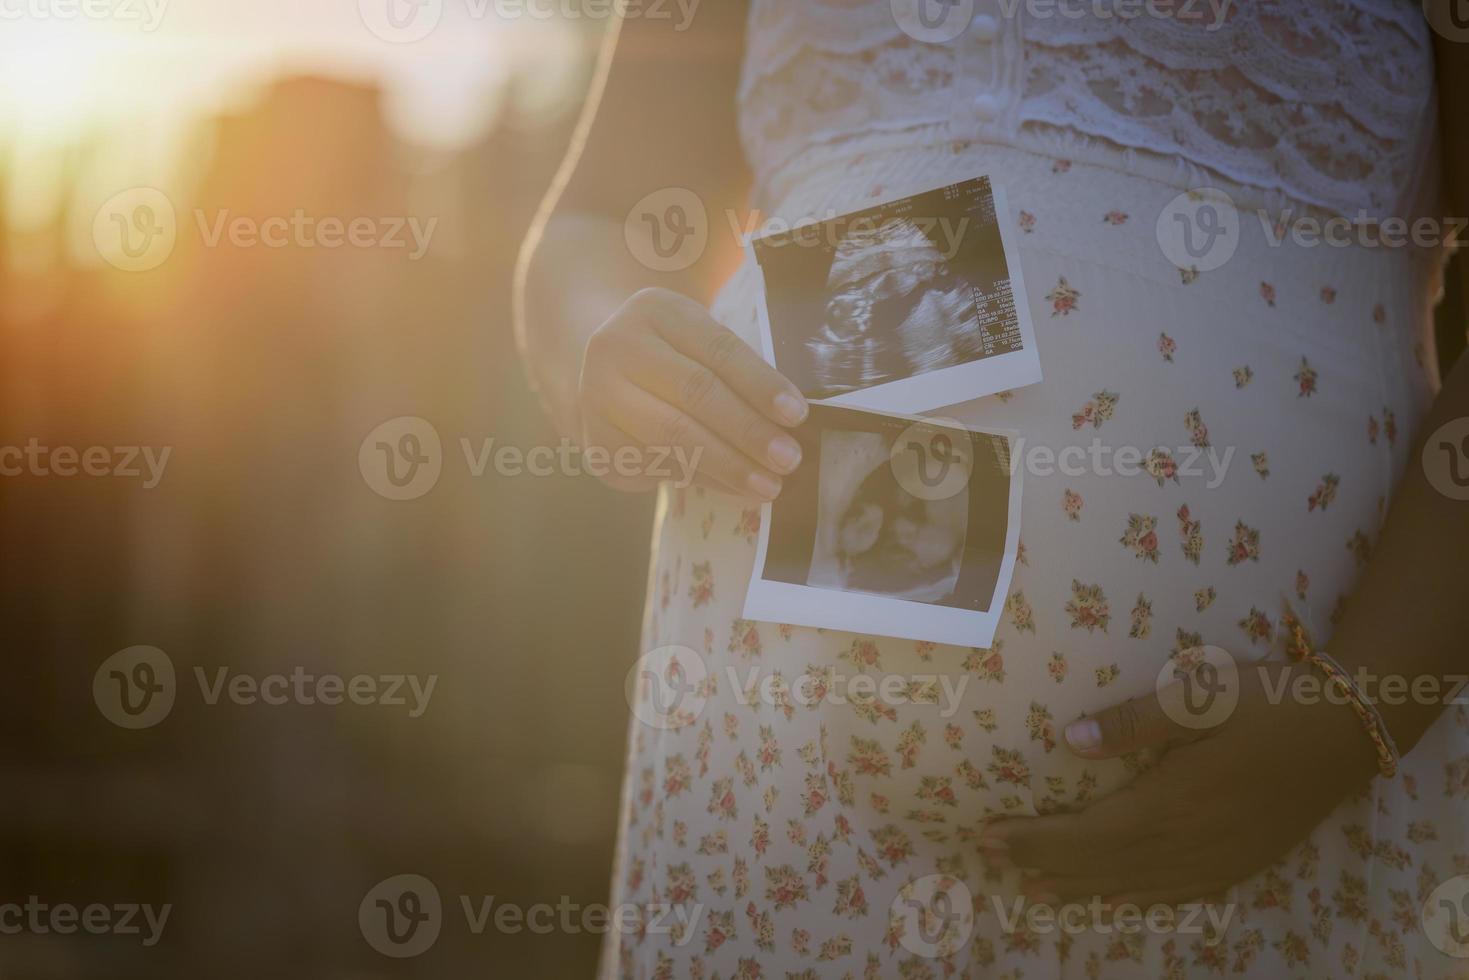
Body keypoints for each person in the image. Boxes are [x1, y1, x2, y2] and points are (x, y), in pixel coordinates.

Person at [516, 3, 1469, 976]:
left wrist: (1353, 718)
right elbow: (595, 220)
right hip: (774, 768)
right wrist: (599, 345)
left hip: (1292, 810)